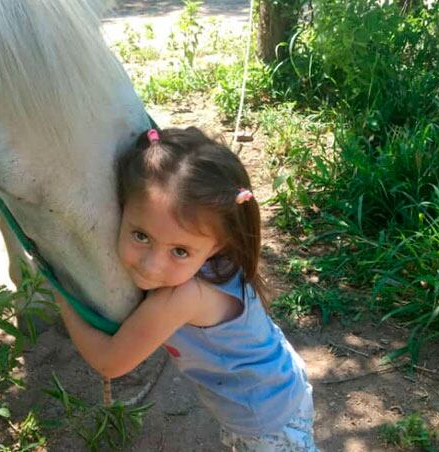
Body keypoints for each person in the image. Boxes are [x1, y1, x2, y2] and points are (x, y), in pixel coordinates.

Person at [55, 126, 317, 451]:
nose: (151, 266)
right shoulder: (209, 256)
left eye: (179, 251)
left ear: (218, 245)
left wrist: (58, 290)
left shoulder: (185, 297)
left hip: (266, 420)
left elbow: (110, 361)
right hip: (277, 385)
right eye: (141, 236)